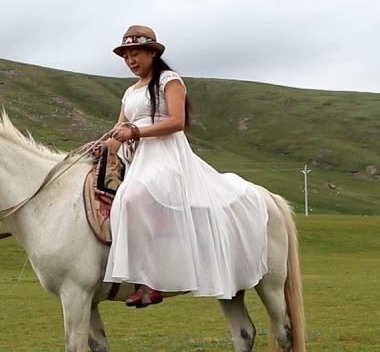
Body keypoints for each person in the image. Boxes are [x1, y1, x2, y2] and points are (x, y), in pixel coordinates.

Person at [101, 25, 269, 307]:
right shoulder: (130, 92)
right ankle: (139, 278)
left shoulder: (169, 80)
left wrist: (136, 133)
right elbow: (119, 128)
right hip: (138, 158)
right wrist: (103, 146)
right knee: (118, 200)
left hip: (166, 157)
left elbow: (177, 121)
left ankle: (152, 283)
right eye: (126, 56)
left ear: (152, 53)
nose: (131, 60)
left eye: (136, 53)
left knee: (130, 199)